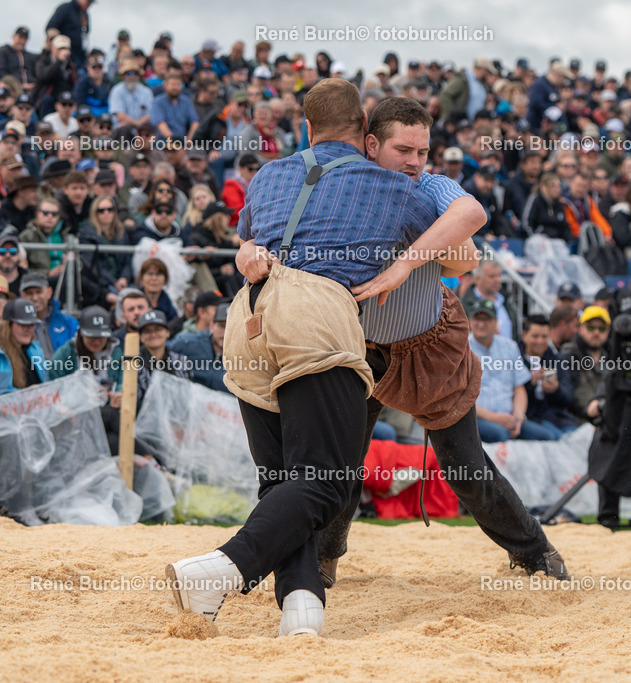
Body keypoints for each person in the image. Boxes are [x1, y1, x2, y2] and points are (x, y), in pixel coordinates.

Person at [167, 79, 476, 639]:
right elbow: (467, 228)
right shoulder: (389, 184)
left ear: (305, 129)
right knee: (329, 482)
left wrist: (247, 253)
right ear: (365, 133)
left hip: (247, 319)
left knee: (282, 478)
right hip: (316, 318)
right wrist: (406, 266)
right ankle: (219, 569)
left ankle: (302, 607)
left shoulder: (266, 175)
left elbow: (249, 244)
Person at [468, 298, 559, 442]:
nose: (481, 324)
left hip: (509, 418)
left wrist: (519, 417)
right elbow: (461, 399)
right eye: (477, 319)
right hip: (477, 419)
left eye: (486, 319)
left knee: (548, 437)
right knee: (501, 435)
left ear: (495, 322)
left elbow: (519, 388)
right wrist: (495, 418)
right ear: (470, 320)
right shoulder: (461, 350)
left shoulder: (509, 346)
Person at [519, 314, 577, 437]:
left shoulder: (557, 360)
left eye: (544, 337)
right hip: (528, 417)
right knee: (554, 437)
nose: (540, 341)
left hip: (555, 416)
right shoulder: (514, 359)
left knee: (574, 434)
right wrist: (531, 384)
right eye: (535, 336)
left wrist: (555, 390)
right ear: (524, 335)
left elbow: (569, 396)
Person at [78, 195, 132, 309]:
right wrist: (114, 282)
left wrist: (124, 278)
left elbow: (128, 260)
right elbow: (92, 266)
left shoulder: (122, 233)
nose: (106, 213)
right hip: (102, 284)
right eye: (101, 210)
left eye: (110, 209)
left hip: (123, 282)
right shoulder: (87, 234)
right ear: (95, 213)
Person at [560, 305, 610, 423]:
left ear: (608, 331)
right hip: (577, 423)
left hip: (607, 421)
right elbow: (571, 398)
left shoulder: (614, 357)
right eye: (591, 328)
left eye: (602, 329)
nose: (596, 333)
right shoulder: (569, 356)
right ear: (580, 329)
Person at [49, 305, 123, 382]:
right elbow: (54, 384)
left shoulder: (116, 354)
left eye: (101, 337)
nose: (96, 342)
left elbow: (122, 383)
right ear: (81, 334)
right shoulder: (65, 354)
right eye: (91, 337)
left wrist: (117, 392)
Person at [167, 301, 229, 393]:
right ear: (211, 326)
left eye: (231, 327)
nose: (226, 332)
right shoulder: (188, 342)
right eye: (221, 326)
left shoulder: (245, 359)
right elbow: (160, 351)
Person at [18, 272, 78, 360]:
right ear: (22, 296)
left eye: (39, 292)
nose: (35, 298)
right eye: (29, 293)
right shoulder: (16, 326)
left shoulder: (69, 322)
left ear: (49, 292)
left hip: (66, 371)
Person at [0, 298, 48, 394]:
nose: (28, 329)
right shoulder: (2, 355)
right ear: (8, 325)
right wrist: (27, 394)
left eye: (32, 324)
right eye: (23, 324)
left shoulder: (36, 350)